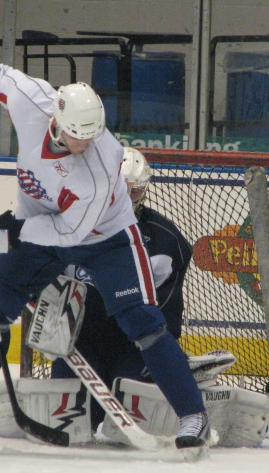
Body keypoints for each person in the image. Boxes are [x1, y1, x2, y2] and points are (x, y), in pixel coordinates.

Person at [0, 62, 208, 451]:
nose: (82, 145)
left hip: (108, 239)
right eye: (75, 137)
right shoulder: (35, 103)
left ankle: (193, 415)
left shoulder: (101, 168)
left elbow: (70, 233)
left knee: (143, 321)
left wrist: (2, 234)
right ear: (56, 119)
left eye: (90, 136)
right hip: (38, 227)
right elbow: (0, 77)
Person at [49, 146, 193, 430]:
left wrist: (166, 354)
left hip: (135, 345)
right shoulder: (67, 229)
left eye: (134, 191)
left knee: (125, 405)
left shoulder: (166, 240)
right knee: (71, 419)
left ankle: (187, 396)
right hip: (81, 340)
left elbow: (166, 312)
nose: (124, 200)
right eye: (117, 190)